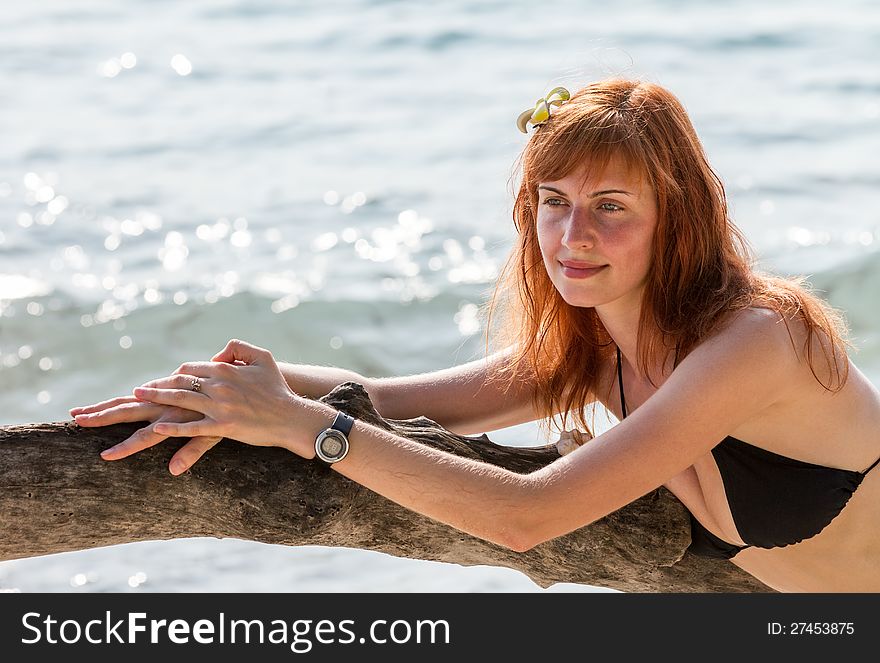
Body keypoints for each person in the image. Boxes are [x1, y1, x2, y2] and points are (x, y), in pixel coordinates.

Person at [70, 78, 880, 593]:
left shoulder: (756, 339)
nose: (572, 236)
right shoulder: (595, 350)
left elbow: (529, 515)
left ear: (679, 220)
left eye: (611, 206)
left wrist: (298, 423)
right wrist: (232, 386)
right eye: (553, 201)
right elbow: (387, 402)